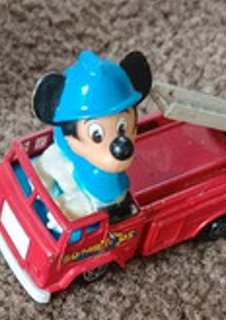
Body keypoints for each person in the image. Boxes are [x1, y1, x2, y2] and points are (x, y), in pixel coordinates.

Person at [30, 49, 152, 223]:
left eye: (123, 128)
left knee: (79, 207)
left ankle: (62, 212)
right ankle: (41, 178)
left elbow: (113, 192)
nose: (120, 146)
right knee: (50, 161)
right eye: (97, 135)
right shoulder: (65, 139)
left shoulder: (106, 180)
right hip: (69, 163)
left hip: (91, 193)